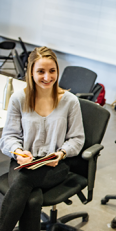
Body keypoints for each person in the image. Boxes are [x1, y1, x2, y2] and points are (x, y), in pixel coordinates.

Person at [0, 46, 85, 231]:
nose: (47, 77)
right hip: (23, 163)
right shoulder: (18, 99)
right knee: (32, 200)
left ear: (57, 71)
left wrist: (62, 153)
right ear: (31, 72)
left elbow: (77, 139)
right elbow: (8, 137)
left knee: (23, 181)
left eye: (52, 71)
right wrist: (18, 151)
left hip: (55, 166)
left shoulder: (70, 101)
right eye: (41, 71)